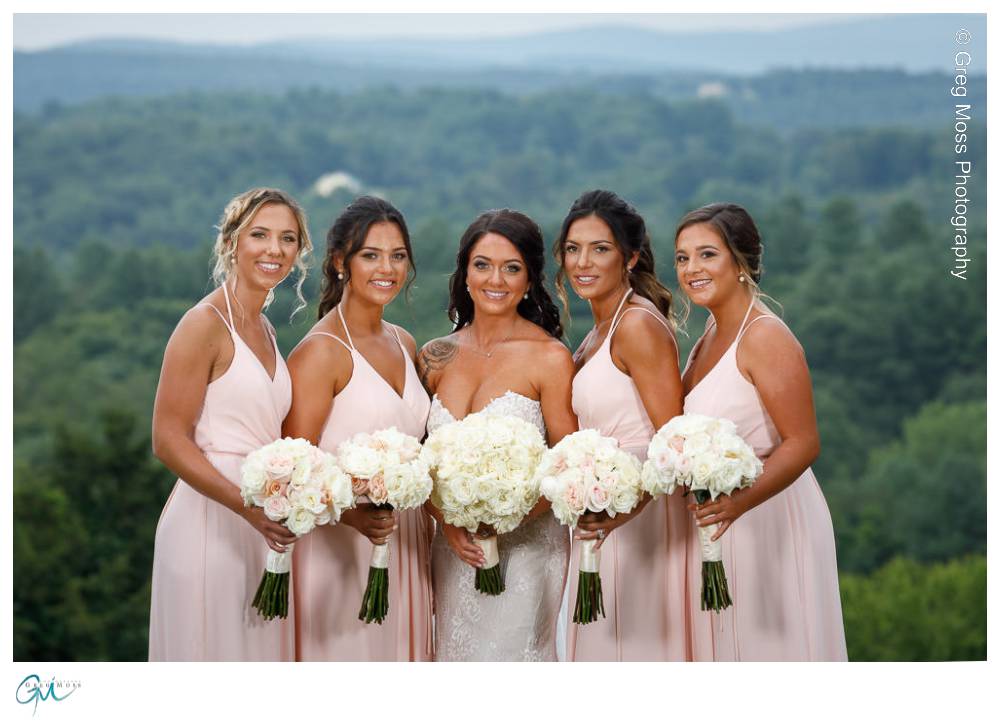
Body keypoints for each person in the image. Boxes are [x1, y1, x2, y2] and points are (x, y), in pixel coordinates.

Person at [675, 202, 848, 661]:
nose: (691, 269)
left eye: (707, 255)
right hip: (721, 518)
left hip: (767, 516)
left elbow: (803, 442)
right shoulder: (709, 333)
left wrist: (739, 503)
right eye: (683, 257)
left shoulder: (765, 336)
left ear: (741, 263)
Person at [149, 187, 312, 661]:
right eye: (260, 235)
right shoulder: (203, 323)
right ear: (231, 243)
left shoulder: (266, 328)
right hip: (211, 521)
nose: (274, 249)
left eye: (287, 238)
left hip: (262, 522)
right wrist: (246, 507)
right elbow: (167, 439)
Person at [417, 209, 577, 661]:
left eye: (512, 268)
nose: (495, 280)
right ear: (465, 273)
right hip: (452, 551)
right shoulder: (434, 356)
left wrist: (507, 518)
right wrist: (449, 523)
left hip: (527, 551)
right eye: (483, 265)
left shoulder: (549, 358)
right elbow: (417, 464)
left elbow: (569, 462)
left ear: (529, 280)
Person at [283, 196, 432, 661]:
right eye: (371, 255)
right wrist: (352, 516)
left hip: (406, 543)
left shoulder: (404, 341)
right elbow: (292, 471)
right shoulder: (320, 353)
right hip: (342, 549)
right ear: (339, 262)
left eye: (398, 256)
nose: (387, 268)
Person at [554, 189, 687, 661]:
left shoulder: (636, 326)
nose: (582, 262)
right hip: (601, 512)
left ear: (629, 257)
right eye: (573, 249)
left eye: (600, 249)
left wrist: (625, 511)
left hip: (637, 520)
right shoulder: (597, 332)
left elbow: (674, 442)